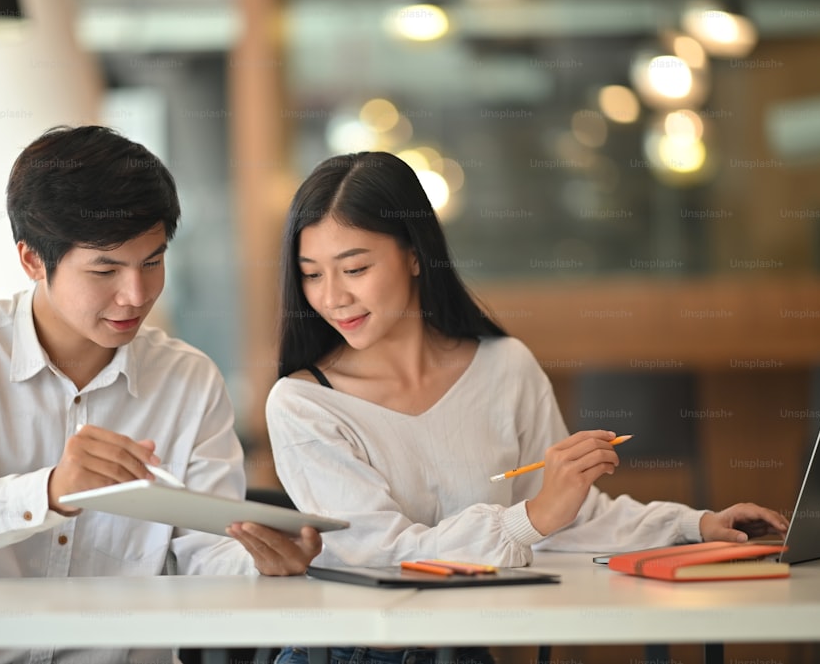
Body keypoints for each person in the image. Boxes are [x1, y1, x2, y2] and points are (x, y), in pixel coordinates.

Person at [265, 151, 790, 664]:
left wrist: (695, 526)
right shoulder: (304, 403)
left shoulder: (504, 366)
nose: (331, 297)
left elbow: (570, 516)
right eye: (312, 274)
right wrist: (532, 517)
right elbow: (385, 555)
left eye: (353, 268)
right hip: (344, 653)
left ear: (415, 254)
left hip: (465, 652)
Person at [0, 125, 321, 664]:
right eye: (105, 269)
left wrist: (262, 563)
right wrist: (51, 492)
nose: (136, 295)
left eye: (152, 262)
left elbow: (208, 552)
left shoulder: (188, 380)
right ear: (33, 260)